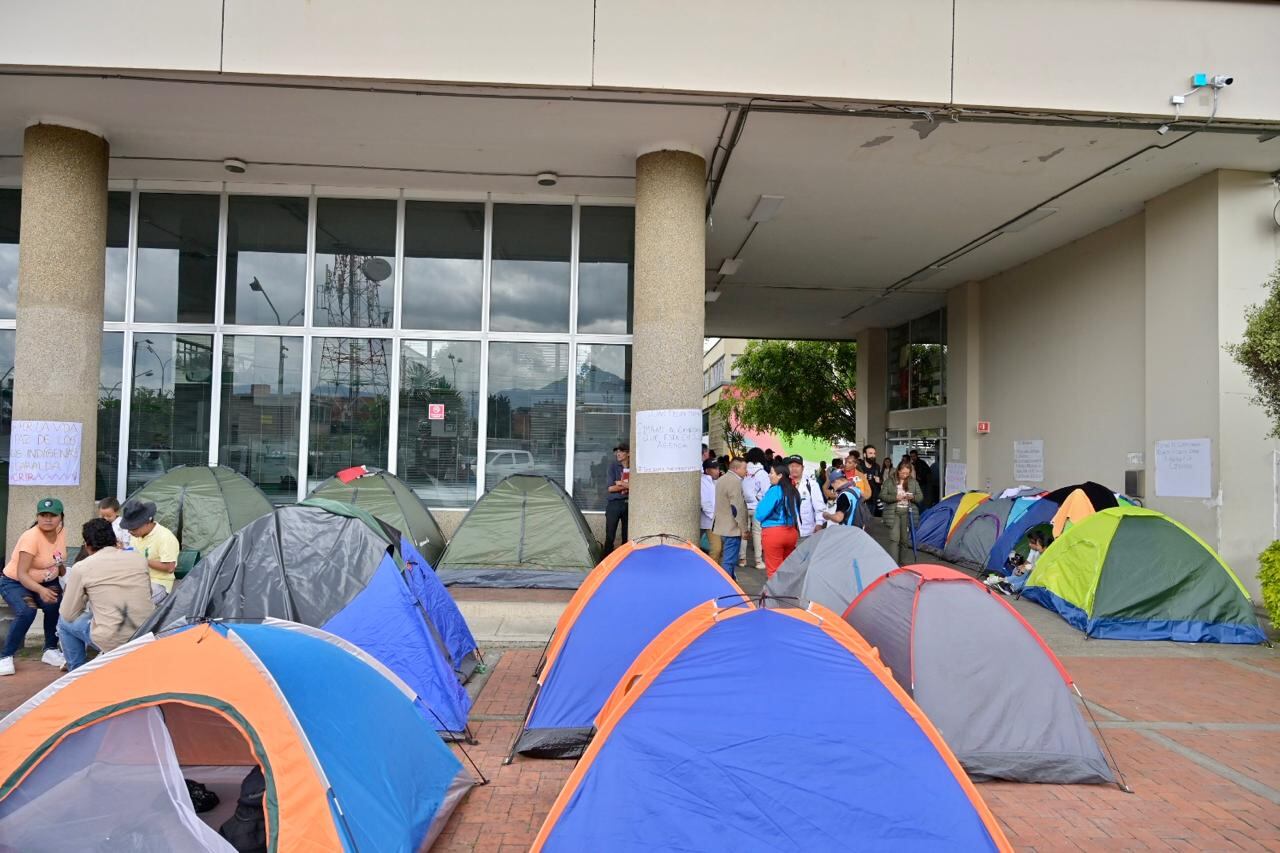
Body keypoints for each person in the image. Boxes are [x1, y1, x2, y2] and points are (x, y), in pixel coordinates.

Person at [58, 518, 154, 671]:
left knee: (63, 622)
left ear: (87, 546)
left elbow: (68, 613)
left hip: (112, 639)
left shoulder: (82, 567)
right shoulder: (139, 559)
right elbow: (149, 593)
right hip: (145, 634)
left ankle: (77, 674)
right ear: (115, 540)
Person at [0, 498, 69, 676]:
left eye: (52, 515)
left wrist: (60, 568)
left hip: (46, 581)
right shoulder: (30, 537)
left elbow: (59, 563)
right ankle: (5, 657)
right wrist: (40, 590)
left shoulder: (61, 532)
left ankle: (50, 650)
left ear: (61, 517)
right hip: (15, 582)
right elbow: (22, 574)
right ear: (37, 517)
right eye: (43, 515)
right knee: (27, 610)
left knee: (55, 603)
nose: (47, 519)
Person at [119, 498, 180, 602]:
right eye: (128, 528)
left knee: (131, 603)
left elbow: (170, 567)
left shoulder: (165, 537)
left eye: (133, 528)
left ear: (147, 522)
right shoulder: (136, 535)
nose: (130, 532)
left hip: (158, 583)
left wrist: (141, 559)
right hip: (137, 580)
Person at [755, 460, 801, 577]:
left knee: (774, 571)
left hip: (774, 533)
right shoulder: (794, 490)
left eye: (771, 473)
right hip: (791, 533)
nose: (769, 475)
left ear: (780, 475)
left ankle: (774, 595)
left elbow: (760, 514)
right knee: (786, 570)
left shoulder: (775, 490)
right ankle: (786, 594)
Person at [880, 459, 923, 564]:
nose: (905, 475)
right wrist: (895, 497)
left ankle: (902, 563)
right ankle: (894, 564)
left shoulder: (913, 482)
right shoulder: (889, 481)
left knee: (904, 540)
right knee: (894, 539)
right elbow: (882, 496)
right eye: (903, 473)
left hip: (907, 512)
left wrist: (912, 497)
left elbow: (920, 497)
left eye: (907, 473)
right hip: (894, 512)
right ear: (898, 470)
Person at [712, 459, 748, 579]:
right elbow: (736, 507)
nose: (746, 471)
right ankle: (727, 588)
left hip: (721, 526)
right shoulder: (734, 482)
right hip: (732, 528)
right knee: (729, 561)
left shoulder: (721, 479)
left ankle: (731, 584)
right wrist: (744, 528)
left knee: (727, 559)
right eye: (744, 468)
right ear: (736, 469)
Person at [989, 529, 1052, 596]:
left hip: (1040, 577)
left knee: (1028, 577)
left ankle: (1010, 587)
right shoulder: (1036, 551)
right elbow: (1029, 562)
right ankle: (1003, 581)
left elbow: (1040, 570)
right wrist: (1022, 568)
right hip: (1034, 571)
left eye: (1037, 545)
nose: (1030, 545)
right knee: (1020, 570)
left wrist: (1027, 568)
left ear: (1045, 547)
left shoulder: (1047, 556)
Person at [742, 447, 770, 572]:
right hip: (757, 507)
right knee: (757, 533)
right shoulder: (762, 473)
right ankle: (758, 561)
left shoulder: (743, 470)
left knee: (743, 533)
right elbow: (766, 492)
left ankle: (742, 559)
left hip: (743, 506)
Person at [787, 455, 827, 540]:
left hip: (807, 532)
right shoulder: (783, 485)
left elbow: (819, 508)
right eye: (791, 466)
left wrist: (819, 524)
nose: (794, 468)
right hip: (788, 532)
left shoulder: (811, 485)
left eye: (797, 466)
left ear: (802, 468)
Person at [603, 442, 630, 554]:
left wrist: (621, 483)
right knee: (610, 535)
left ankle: (625, 562)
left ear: (628, 453)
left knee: (627, 536)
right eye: (617, 451)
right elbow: (610, 488)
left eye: (621, 451)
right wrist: (628, 485)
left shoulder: (634, 467)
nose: (618, 454)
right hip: (614, 504)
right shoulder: (613, 467)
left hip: (629, 504)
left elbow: (638, 487)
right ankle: (605, 561)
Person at [700, 457, 719, 555]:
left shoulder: (714, 481)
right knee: (716, 549)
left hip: (711, 521)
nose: (717, 471)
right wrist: (713, 516)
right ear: (707, 470)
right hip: (708, 520)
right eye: (714, 468)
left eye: (718, 468)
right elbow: (705, 503)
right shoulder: (703, 481)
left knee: (717, 549)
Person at [859, 445, 884, 517]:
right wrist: (862, 479)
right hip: (863, 499)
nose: (873, 455)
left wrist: (879, 481)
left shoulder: (877, 466)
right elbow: (853, 482)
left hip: (874, 498)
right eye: (870, 453)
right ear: (864, 455)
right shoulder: (859, 467)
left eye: (874, 453)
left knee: (872, 520)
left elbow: (881, 480)